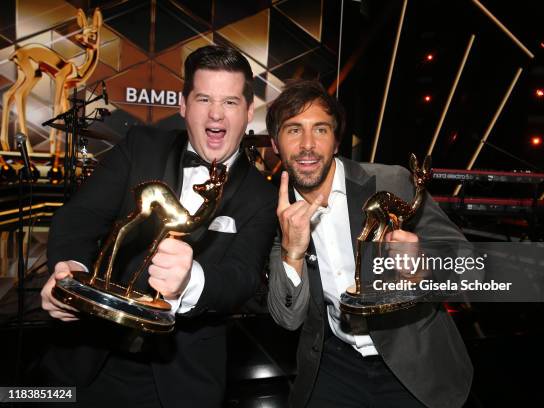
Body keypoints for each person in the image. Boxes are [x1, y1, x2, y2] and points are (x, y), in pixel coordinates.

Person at [39, 45, 277, 408]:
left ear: (248, 112)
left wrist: (192, 279)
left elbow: (243, 275)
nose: (216, 113)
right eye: (203, 99)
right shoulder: (140, 146)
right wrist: (72, 273)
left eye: (230, 102)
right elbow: (80, 217)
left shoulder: (261, 195)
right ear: (183, 106)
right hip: (89, 360)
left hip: (181, 381)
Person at [266, 80, 473, 408]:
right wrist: (293, 251)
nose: (308, 145)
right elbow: (287, 319)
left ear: (336, 141)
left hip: (413, 364)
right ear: (275, 144)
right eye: (293, 130)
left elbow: (466, 264)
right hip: (335, 365)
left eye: (320, 130)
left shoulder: (390, 183)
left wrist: (423, 267)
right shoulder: (278, 213)